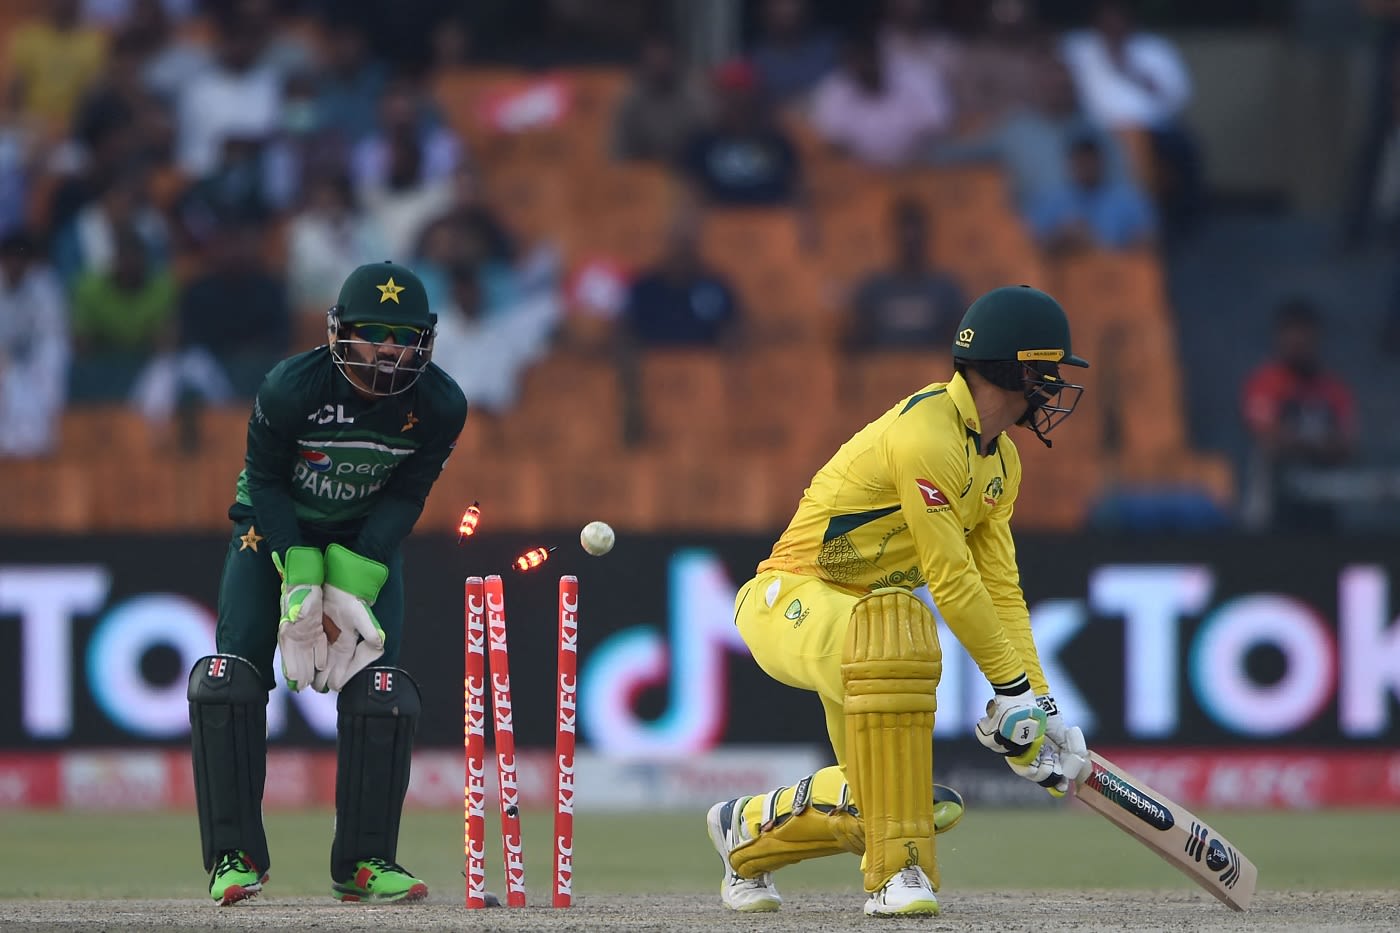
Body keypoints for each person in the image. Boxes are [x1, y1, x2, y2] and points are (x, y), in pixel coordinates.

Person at [706, 285, 1091, 917]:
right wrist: (1011, 692)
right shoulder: (927, 435)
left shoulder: (1003, 464)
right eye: (1048, 371)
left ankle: (743, 835)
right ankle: (898, 875)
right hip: (790, 600)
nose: (1055, 387)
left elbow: (999, 588)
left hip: (865, 630)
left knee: (879, 804)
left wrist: (1038, 706)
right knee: (895, 654)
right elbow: (951, 579)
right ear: (1019, 369)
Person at [187, 260, 467, 905]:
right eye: (373, 333)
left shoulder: (440, 405)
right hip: (271, 535)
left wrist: (355, 571)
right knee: (226, 683)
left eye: (402, 337)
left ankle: (365, 862)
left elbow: (409, 491)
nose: (388, 351)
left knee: (383, 694)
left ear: (425, 339)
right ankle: (234, 858)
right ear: (340, 331)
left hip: (366, 541)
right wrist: (300, 571)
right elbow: (266, 480)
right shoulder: (292, 386)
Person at [1240, 298, 1356, 532]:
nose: (1299, 341)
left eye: (1305, 333)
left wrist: (1297, 440)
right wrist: (1318, 442)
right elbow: (1269, 438)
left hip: (1324, 505)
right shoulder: (1265, 384)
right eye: (1292, 333)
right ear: (1279, 337)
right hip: (1274, 506)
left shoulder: (1334, 390)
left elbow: (1347, 445)